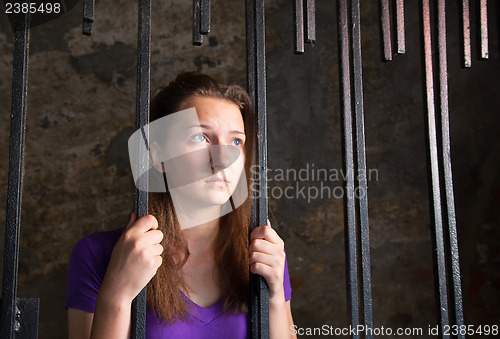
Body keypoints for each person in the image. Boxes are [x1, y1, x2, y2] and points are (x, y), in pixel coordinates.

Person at [66, 72, 295, 338]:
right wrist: (117, 295)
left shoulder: (262, 251)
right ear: (157, 156)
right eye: (201, 137)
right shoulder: (98, 254)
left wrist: (276, 296)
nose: (222, 159)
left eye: (235, 141)